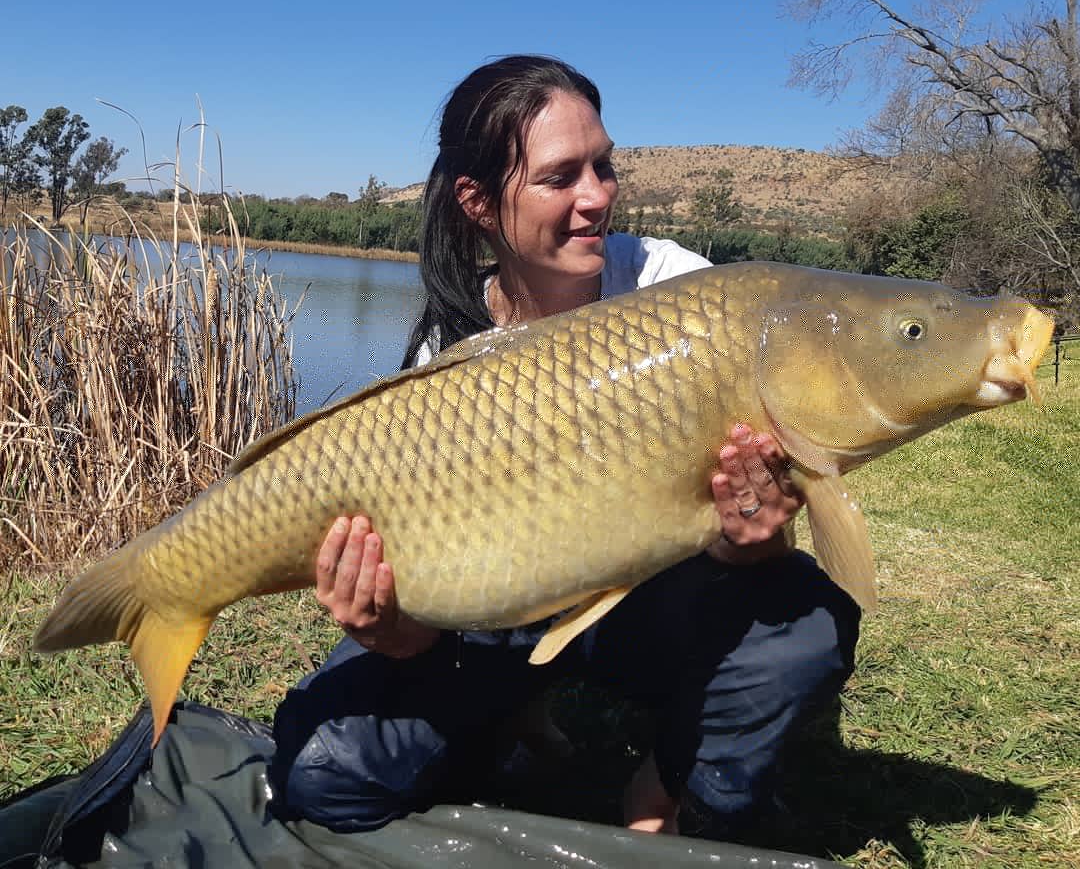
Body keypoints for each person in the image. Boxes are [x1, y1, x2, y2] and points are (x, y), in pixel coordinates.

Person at [270, 55, 860, 840]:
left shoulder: (676, 287)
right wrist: (391, 630)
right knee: (319, 772)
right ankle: (512, 716)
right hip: (500, 608)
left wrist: (751, 540)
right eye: (560, 177)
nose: (598, 196)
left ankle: (668, 788)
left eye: (603, 166)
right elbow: (436, 607)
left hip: (650, 595)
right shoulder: (447, 347)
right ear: (478, 202)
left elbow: (748, 534)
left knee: (806, 626)